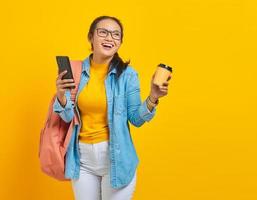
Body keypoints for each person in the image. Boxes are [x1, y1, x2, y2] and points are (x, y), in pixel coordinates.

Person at [53, 16, 171, 200]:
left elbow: (136, 119)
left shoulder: (128, 75)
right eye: (103, 32)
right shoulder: (75, 71)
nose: (110, 38)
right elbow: (67, 118)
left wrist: (153, 97)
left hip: (117, 159)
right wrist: (61, 95)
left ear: (120, 42)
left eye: (116, 35)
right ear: (91, 37)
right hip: (82, 160)